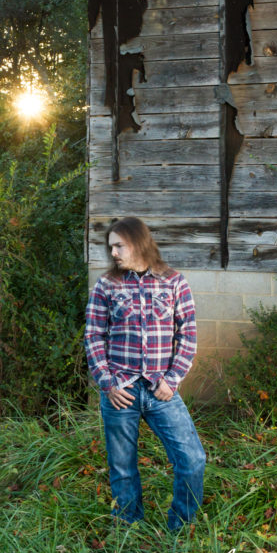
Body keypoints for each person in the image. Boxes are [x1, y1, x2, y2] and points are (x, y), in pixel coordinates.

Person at [84, 216, 206, 532]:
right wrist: (107, 382)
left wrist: (174, 378)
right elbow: (94, 335)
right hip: (119, 392)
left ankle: (182, 527)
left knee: (192, 460)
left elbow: (188, 332)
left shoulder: (174, 282)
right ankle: (128, 530)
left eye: (119, 245)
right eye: (110, 246)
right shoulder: (106, 285)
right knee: (122, 469)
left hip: (160, 390)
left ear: (138, 242)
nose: (113, 252)